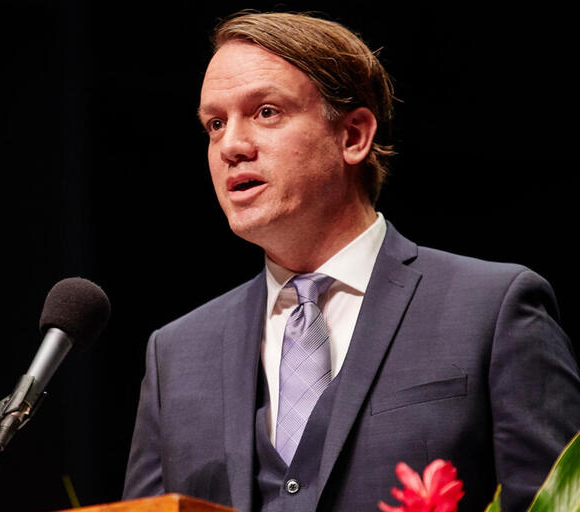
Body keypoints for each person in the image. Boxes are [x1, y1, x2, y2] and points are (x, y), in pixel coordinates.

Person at [122, 12, 580, 512]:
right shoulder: (176, 354)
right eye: (215, 124)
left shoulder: (492, 310)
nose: (231, 145)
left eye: (266, 112)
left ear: (353, 136)